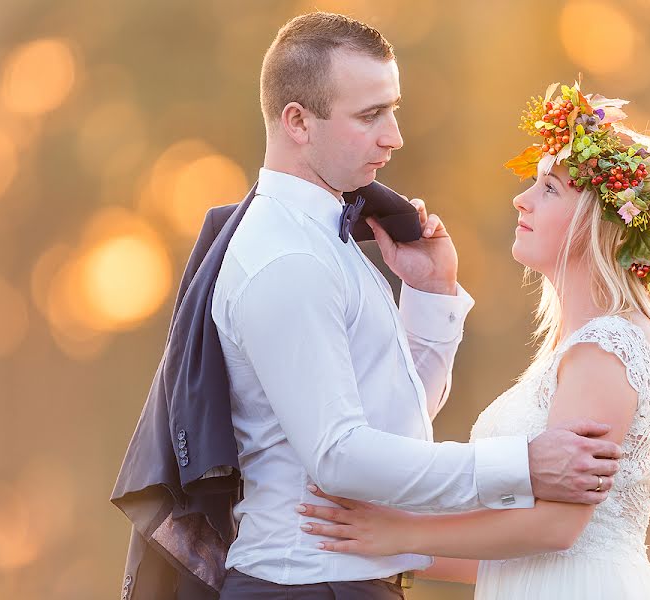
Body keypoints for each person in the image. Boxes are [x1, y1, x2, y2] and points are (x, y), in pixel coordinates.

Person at [213, 15, 624, 600]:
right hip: (307, 587)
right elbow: (338, 455)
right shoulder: (288, 260)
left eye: (393, 109)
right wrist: (522, 466)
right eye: (369, 115)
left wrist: (431, 294)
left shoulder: (332, 240)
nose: (394, 136)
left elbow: (389, 420)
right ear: (298, 122)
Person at [296, 79, 650, 599]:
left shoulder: (607, 350)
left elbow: (557, 530)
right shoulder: (575, 348)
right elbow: (513, 556)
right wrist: (381, 543)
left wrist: (401, 530)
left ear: (599, 223)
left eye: (549, 189)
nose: (522, 199)